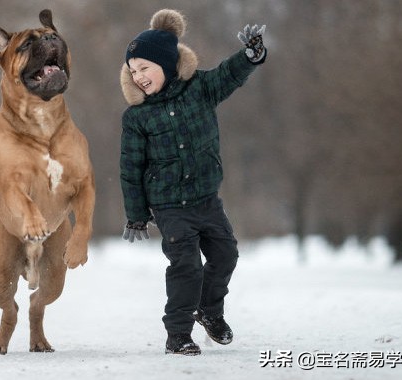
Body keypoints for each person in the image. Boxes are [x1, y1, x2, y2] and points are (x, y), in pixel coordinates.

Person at [119, 9, 267, 355]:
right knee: (186, 267)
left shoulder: (199, 89)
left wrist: (250, 56)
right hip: (169, 206)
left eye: (145, 67)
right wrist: (137, 214)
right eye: (133, 71)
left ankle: (210, 311)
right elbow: (131, 167)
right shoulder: (138, 117)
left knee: (226, 255)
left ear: (167, 63)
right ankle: (178, 334)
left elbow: (228, 76)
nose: (139, 76)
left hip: (206, 199)